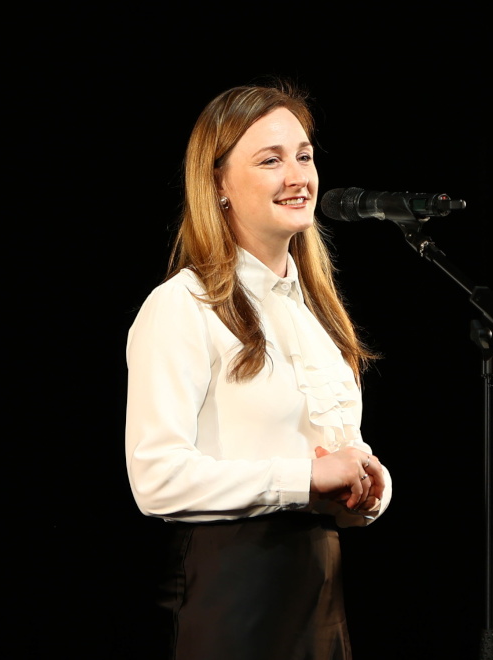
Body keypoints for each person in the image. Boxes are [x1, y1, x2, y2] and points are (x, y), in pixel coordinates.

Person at [124, 81, 392, 660]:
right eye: (271, 160)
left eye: (304, 156)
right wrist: (304, 479)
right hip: (234, 602)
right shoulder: (183, 306)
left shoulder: (319, 316)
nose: (297, 176)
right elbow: (156, 478)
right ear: (218, 183)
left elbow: (339, 452)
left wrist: (370, 487)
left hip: (320, 598)